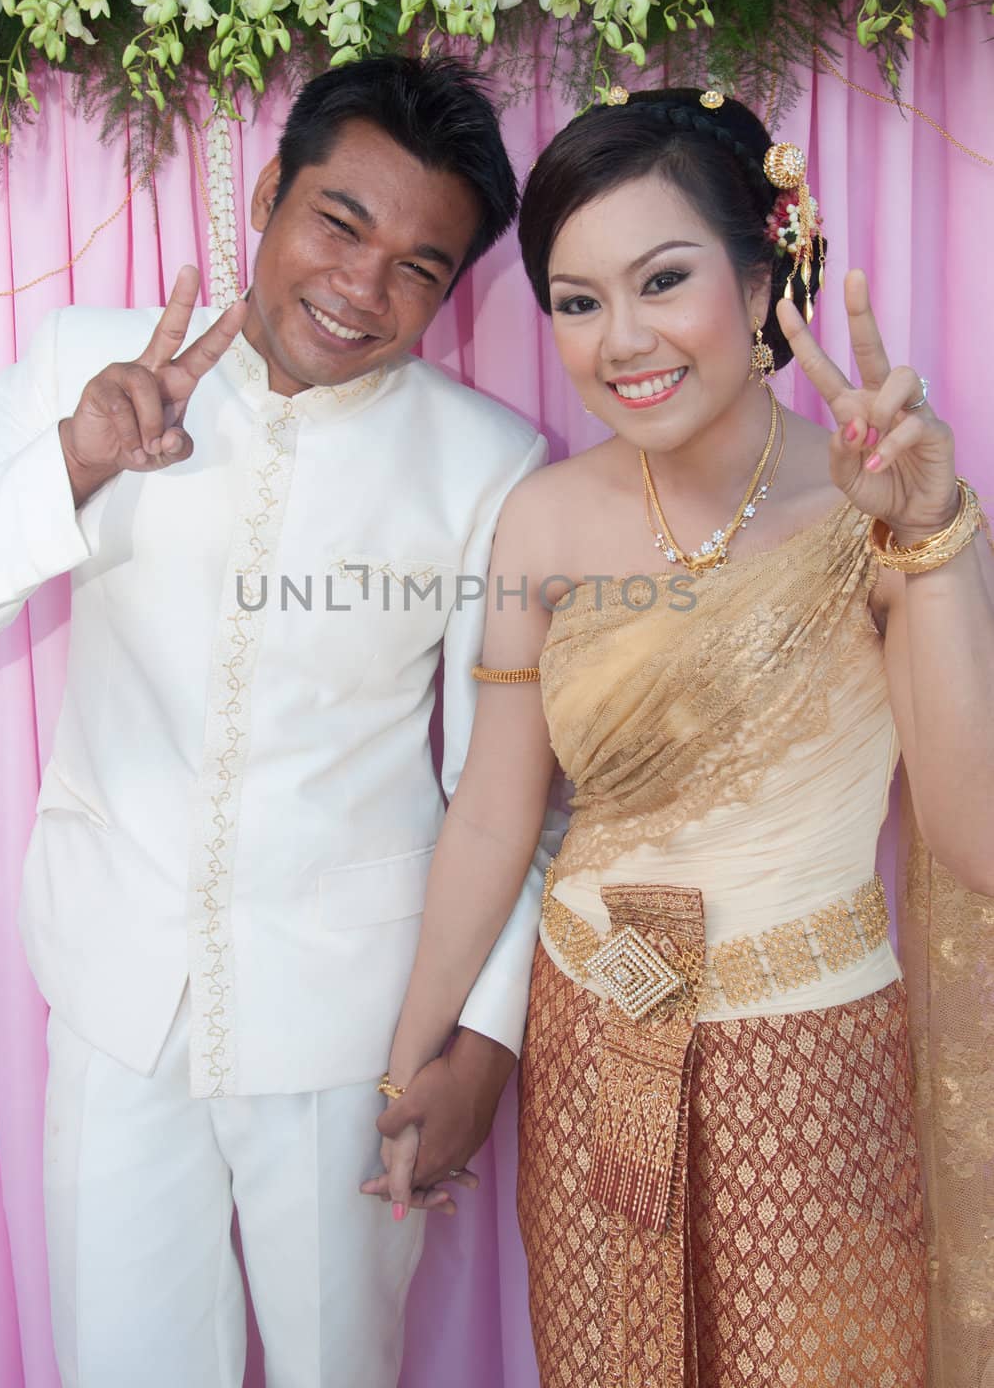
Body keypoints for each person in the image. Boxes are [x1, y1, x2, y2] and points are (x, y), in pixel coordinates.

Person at [0, 56, 559, 1388]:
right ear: (270, 191)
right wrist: (79, 459)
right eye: (339, 223)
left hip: (353, 1029)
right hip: (114, 995)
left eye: (418, 267)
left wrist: (484, 1042)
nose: (361, 287)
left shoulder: (490, 465)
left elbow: (512, 786)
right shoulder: (83, 364)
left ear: (452, 295)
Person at [367, 88, 994, 1384]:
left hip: (814, 1059)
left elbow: (975, 837)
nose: (622, 342)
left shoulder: (879, 500)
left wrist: (930, 547)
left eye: (663, 280)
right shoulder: (544, 522)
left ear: (768, 272)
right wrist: (406, 1066)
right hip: (599, 1035)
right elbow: (492, 810)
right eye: (579, 300)